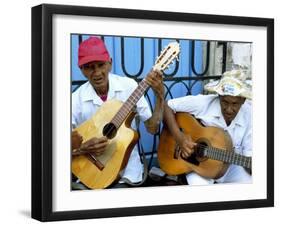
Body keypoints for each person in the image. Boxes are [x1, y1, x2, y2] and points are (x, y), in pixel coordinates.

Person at [71, 37, 164, 188]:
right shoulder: (75, 100)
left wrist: (160, 96)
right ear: (81, 69)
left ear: (110, 63)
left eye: (101, 65)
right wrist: (82, 148)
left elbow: (152, 129)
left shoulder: (129, 86)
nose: (97, 73)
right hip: (89, 172)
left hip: (127, 172)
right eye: (89, 67)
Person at [163, 69, 252, 185]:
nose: (229, 109)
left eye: (235, 104)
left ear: (243, 100)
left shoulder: (251, 115)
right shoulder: (203, 103)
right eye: (225, 102)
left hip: (231, 168)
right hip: (198, 167)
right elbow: (167, 106)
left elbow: (249, 154)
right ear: (219, 96)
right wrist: (180, 138)